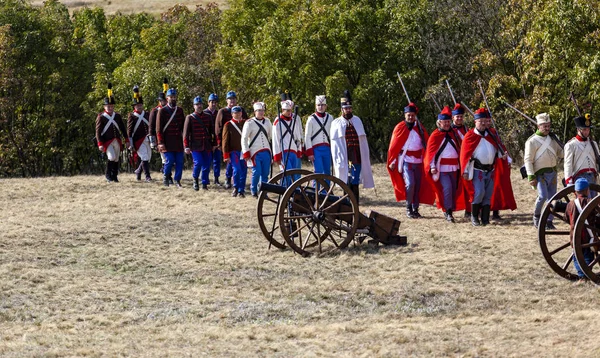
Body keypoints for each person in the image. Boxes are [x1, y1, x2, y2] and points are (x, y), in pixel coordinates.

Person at [387, 102, 434, 218]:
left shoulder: (420, 128)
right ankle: (408, 207)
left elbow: (426, 143)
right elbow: (394, 146)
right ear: (405, 115)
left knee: (418, 185)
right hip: (406, 160)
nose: (410, 117)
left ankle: (415, 208)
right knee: (410, 184)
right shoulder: (400, 127)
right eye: (409, 115)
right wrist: (392, 161)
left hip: (418, 161)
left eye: (412, 115)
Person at [460, 108, 506, 226]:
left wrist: (503, 155)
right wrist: (464, 171)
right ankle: (474, 217)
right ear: (475, 122)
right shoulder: (470, 136)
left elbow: (498, 147)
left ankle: (485, 219)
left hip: (490, 169)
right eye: (480, 121)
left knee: (488, 194)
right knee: (479, 192)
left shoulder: (491, 134)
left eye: (485, 121)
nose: (483, 124)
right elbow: (465, 155)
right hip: (477, 170)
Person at [330, 90, 374, 203]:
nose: (348, 110)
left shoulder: (357, 120)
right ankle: (347, 204)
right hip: (344, 155)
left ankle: (355, 204)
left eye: (349, 108)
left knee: (355, 181)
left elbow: (362, 140)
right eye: (346, 108)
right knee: (346, 180)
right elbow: (335, 145)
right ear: (342, 109)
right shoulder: (336, 123)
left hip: (357, 155)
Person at [424, 106, 465, 222]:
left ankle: (450, 210)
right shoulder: (435, 136)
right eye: (444, 122)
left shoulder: (454, 134)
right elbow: (431, 153)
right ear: (439, 123)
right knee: (447, 188)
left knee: (453, 189)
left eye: (448, 121)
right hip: (441, 169)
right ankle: (448, 212)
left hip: (455, 168)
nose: (447, 124)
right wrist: (432, 167)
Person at [524, 113, 564, 228]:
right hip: (539, 174)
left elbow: (560, 153)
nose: (547, 128)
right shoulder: (532, 141)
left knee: (552, 198)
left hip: (552, 172)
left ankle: (549, 221)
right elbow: (528, 159)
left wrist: (567, 149)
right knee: (542, 196)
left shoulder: (553, 138)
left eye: (548, 126)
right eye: (544, 126)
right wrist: (530, 176)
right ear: (538, 126)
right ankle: (537, 217)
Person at [215, 91, 249, 189]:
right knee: (231, 162)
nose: (232, 101)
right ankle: (228, 179)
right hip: (227, 142)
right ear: (227, 100)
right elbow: (218, 129)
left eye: (234, 99)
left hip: (240, 143)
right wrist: (219, 143)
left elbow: (247, 124)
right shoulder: (222, 111)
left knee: (238, 165)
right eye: (230, 99)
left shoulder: (241, 110)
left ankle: (237, 184)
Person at [95, 82, 128, 183]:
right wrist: (100, 143)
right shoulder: (101, 116)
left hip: (117, 140)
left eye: (111, 106)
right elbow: (98, 131)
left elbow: (122, 128)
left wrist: (126, 139)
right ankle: (108, 175)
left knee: (116, 158)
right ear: (104, 107)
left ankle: (115, 175)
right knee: (111, 157)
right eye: (108, 106)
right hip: (107, 141)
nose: (110, 108)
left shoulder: (117, 116)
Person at [565, 178, 596, 279]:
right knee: (588, 255)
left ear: (575, 192)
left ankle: (581, 274)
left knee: (577, 256)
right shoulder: (591, 203)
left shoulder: (570, 204)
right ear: (587, 190)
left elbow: (566, 218)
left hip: (574, 237)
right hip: (589, 237)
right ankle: (585, 275)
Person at [272, 92, 304, 186]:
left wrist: (299, 149)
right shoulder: (277, 122)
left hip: (293, 150)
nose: (289, 112)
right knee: (287, 174)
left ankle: (294, 194)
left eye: (290, 110)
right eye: (287, 110)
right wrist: (277, 155)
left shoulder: (294, 120)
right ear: (282, 110)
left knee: (295, 174)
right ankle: (284, 194)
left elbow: (298, 137)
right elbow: (275, 140)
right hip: (283, 151)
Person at [184, 96, 215, 191]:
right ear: (194, 106)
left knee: (206, 165)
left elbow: (212, 131)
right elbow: (186, 134)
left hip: (207, 145)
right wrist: (186, 146)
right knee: (198, 163)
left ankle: (204, 183)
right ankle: (195, 179)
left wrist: (214, 144)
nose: (199, 106)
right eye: (197, 104)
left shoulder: (208, 116)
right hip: (195, 146)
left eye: (200, 104)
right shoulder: (190, 117)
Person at [242, 101, 272, 197]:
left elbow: (271, 136)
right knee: (257, 172)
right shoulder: (249, 123)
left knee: (265, 173)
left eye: (262, 110)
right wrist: (246, 152)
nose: (261, 112)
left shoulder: (267, 121)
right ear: (255, 111)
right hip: (255, 152)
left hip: (266, 151)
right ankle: (254, 189)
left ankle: (264, 191)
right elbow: (244, 138)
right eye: (259, 110)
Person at [156, 88, 185, 187]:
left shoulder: (180, 110)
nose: (173, 99)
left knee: (180, 162)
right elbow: (159, 129)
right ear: (167, 98)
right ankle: (166, 177)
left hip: (178, 142)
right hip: (167, 142)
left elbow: (183, 127)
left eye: (174, 97)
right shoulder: (162, 111)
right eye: (170, 97)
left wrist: (185, 141)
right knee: (169, 161)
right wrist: (160, 142)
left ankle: (177, 180)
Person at [564, 114, 599, 196]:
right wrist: (569, 182)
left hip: (593, 177)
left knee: (594, 202)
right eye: (584, 130)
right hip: (580, 177)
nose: (587, 132)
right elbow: (568, 164)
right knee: (585, 203)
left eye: (588, 129)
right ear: (578, 129)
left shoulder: (593, 143)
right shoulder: (571, 145)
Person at [451, 103, 472, 218]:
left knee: (468, 186)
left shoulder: (466, 129)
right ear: (453, 117)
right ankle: (450, 210)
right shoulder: (450, 130)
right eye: (457, 117)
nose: (459, 119)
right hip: (454, 162)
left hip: (466, 162)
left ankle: (469, 211)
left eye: (461, 116)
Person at [127, 85, 152, 182]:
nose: (139, 106)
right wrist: (130, 142)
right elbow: (129, 130)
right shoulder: (132, 116)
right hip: (138, 140)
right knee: (145, 157)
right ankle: (147, 176)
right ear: (134, 106)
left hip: (148, 139)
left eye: (140, 105)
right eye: (137, 105)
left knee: (148, 157)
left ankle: (138, 171)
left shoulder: (147, 113)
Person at [305, 95, 332, 177]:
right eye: (318, 105)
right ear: (316, 106)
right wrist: (310, 152)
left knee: (327, 171)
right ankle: (316, 189)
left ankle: (327, 190)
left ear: (326, 106)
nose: (320, 107)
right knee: (318, 171)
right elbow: (307, 136)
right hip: (316, 149)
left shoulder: (330, 118)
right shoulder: (311, 119)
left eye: (323, 105)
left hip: (327, 148)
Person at [223, 106, 247, 197]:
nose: (238, 114)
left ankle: (241, 190)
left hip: (243, 151)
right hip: (234, 151)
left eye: (239, 112)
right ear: (232, 114)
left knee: (243, 171)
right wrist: (226, 155)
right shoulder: (228, 125)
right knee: (237, 170)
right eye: (235, 113)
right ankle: (236, 187)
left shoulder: (246, 123)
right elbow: (225, 140)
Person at [148, 78, 169, 176]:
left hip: (170, 137)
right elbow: (151, 127)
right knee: (164, 157)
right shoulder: (155, 111)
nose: (165, 102)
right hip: (159, 137)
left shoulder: (171, 110)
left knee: (169, 157)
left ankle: (165, 172)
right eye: (163, 100)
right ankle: (167, 176)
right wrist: (152, 141)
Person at [205, 93, 221, 185]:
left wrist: (217, 143)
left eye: (215, 102)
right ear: (208, 102)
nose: (214, 104)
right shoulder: (204, 113)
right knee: (207, 161)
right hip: (207, 141)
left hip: (217, 141)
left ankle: (216, 179)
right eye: (212, 102)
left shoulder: (219, 113)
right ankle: (206, 179)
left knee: (217, 161)